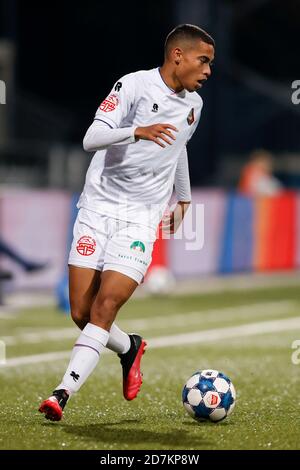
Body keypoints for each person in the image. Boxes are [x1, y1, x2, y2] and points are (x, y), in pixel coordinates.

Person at [39, 24, 215, 421]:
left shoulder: (195, 106)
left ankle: (61, 392)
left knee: (105, 307)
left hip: (140, 218)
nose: (207, 71)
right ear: (178, 56)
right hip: (97, 208)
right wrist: (136, 131)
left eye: (210, 64)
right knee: (81, 315)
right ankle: (130, 347)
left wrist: (184, 198)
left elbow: (178, 148)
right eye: (203, 61)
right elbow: (90, 139)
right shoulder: (133, 86)